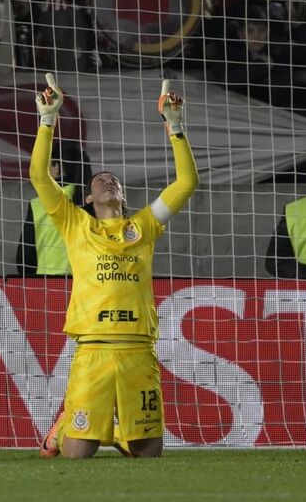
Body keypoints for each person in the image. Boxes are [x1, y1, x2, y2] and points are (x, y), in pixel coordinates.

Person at [34, 74, 198, 459]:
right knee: (78, 456)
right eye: (99, 181)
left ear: (122, 194)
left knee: (149, 455)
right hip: (93, 350)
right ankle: (62, 431)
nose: (108, 182)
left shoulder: (143, 226)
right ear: (89, 199)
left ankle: (120, 435)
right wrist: (47, 120)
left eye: (113, 180)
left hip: (138, 349)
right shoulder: (77, 223)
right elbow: (40, 177)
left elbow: (187, 182)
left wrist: (174, 125)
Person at [15, 139, 92, 277]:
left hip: (47, 283)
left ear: (56, 166)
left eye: (48, 164)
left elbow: (25, 257)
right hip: (87, 282)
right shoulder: (94, 201)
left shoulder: (39, 203)